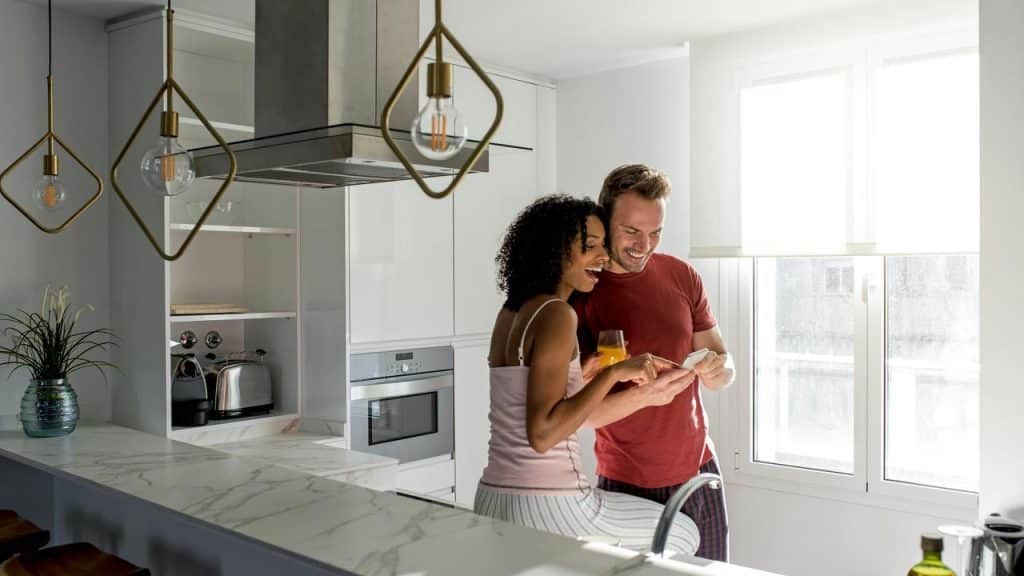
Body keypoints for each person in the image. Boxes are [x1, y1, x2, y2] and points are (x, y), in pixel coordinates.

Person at [474, 194, 700, 555]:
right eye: (590, 246)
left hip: (492, 497)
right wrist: (615, 375)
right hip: (550, 501)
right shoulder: (558, 314)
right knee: (683, 530)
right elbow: (542, 435)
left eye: (603, 246)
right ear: (556, 249)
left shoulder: (512, 312)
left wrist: (585, 369)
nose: (603, 257)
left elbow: (526, 390)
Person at [573, 164, 736, 561]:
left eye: (656, 233)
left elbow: (721, 359)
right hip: (630, 484)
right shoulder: (582, 295)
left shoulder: (681, 275)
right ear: (604, 220)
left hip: (701, 472)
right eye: (631, 231)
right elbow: (580, 414)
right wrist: (647, 396)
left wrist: (720, 371)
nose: (644, 245)